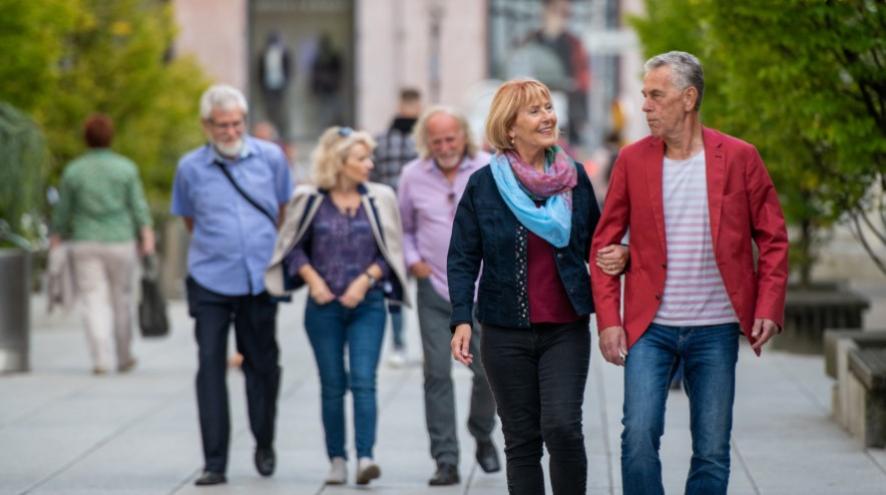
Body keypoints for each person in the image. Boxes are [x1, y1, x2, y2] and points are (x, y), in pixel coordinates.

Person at [591, 51, 789, 495]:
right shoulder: (632, 160)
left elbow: (773, 237)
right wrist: (608, 321)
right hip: (649, 328)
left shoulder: (740, 158)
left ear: (688, 97)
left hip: (716, 328)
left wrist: (769, 306)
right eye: (644, 95)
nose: (645, 106)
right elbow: (604, 245)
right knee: (638, 438)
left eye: (655, 96)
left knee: (712, 450)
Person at [447, 78, 627, 495]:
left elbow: (596, 248)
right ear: (510, 127)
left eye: (548, 107)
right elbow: (462, 258)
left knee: (563, 428)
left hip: (564, 328)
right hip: (503, 330)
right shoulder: (484, 185)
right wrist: (461, 319)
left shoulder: (575, 179)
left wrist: (623, 261)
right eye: (535, 110)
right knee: (522, 441)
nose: (548, 116)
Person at [265, 126, 410, 486]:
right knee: (332, 384)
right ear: (339, 162)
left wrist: (364, 282)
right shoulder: (309, 198)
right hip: (323, 308)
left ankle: (365, 457)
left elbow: (390, 250)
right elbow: (292, 247)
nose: (369, 164)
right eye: (361, 158)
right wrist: (314, 282)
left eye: (368, 157)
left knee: (364, 381)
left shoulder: (380, 198)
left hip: (368, 305)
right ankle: (337, 459)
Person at [170, 84, 292, 486]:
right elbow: (189, 219)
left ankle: (265, 440)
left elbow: (281, 209)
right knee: (209, 367)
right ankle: (215, 461)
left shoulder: (271, 158)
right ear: (207, 125)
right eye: (221, 125)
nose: (230, 131)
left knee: (263, 366)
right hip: (210, 279)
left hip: (259, 279)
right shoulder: (190, 167)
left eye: (236, 123)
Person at [398, 106, 499, 485]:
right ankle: (446, 458)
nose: (444, 146)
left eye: (450, 138)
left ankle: (481, 431)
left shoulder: (488, 167)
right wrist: (413, 260)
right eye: (436, 140)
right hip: (435, 289)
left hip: (481, 289)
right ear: (427, 142)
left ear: (464, 136)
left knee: (487, 370)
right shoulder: (412, 175)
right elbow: (404, 227)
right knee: (436, 373)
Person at [50, 113, 155, 375]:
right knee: (122, 298)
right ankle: (124, 354)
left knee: (93, 299)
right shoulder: (126, 168)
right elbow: (137, 205)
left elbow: (63, 210)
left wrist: (57, 235)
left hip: (85, 240)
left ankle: (100, 357)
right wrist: (146, 234)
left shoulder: (74, 170)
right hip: (120, 240)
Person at [370, 87, 422, 367]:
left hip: (404, 222)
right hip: (401, 222)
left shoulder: (386, 141)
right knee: (402, 287)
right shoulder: (416, 141)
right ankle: (404, 343)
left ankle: (407, 345)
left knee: (407, 287)